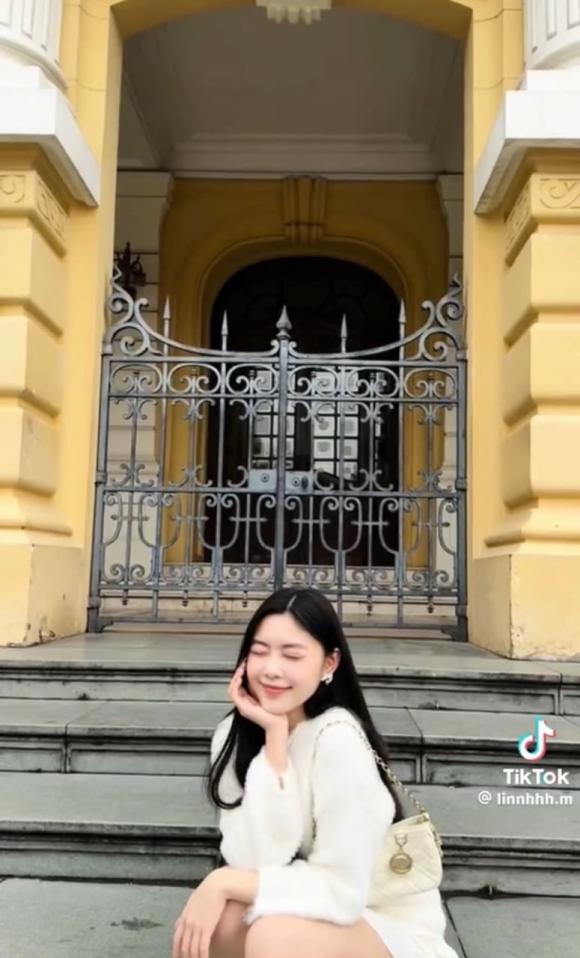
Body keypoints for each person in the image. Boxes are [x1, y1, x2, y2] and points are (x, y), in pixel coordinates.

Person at [172, 587, 460, 958]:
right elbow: (250, 860)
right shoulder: (234, 734)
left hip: (381, 918)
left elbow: (341, 890)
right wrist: (275, 748)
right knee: (218, 924)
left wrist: (222, 880)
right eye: (259, 651)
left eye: (292, 655)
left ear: (329, 663)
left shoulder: (338, 740)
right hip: (308, 907)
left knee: (273, 935)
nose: (271, 669)